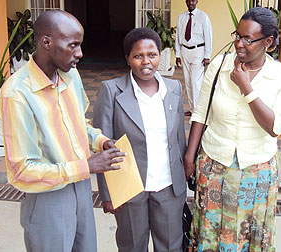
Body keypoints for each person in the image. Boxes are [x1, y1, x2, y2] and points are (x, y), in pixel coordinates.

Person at [0, 10, 126, 252]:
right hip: (47, 199)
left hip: (80, 187)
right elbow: (21, 170)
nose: (80, 53)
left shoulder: (71, 76)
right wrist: (86, 167)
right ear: (46, 42)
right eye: (73, 45)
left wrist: (101, 142)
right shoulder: (17, 94)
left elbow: (79, 124)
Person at [184, 7, 281, 251]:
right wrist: (189, 157)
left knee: (249, 235)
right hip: (213, 165)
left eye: (248, 39)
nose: (239, 44)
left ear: (268, 42)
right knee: (210, 232)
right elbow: (201, 113)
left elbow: (275, 127)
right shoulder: (218, 66)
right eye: (237, 35)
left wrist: (246, 88)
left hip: (257, 172)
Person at [93, 27, 187, 252]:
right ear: (128, 59)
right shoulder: (111, 91)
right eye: (138, 56)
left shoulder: (173, 88)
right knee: (132, 245)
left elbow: (179, 138)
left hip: (168, 186)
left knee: (171, 246)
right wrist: (108, 194)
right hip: (129, 187)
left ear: (160, 56)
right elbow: (101, 144)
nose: (146, 61)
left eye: (152, 55)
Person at [175, 0, 212, 116]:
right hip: (185, 51)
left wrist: (207, 56)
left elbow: (208, 36)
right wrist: (177, 54)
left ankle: (197, 113)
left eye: (193, 0)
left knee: (196, 82)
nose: (190, 2)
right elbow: (177, 36)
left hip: (198, 52)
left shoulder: (203, 17)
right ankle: (192, 109)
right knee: (188, 82)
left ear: (196, 1)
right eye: (188, 0)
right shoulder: (181, 17)